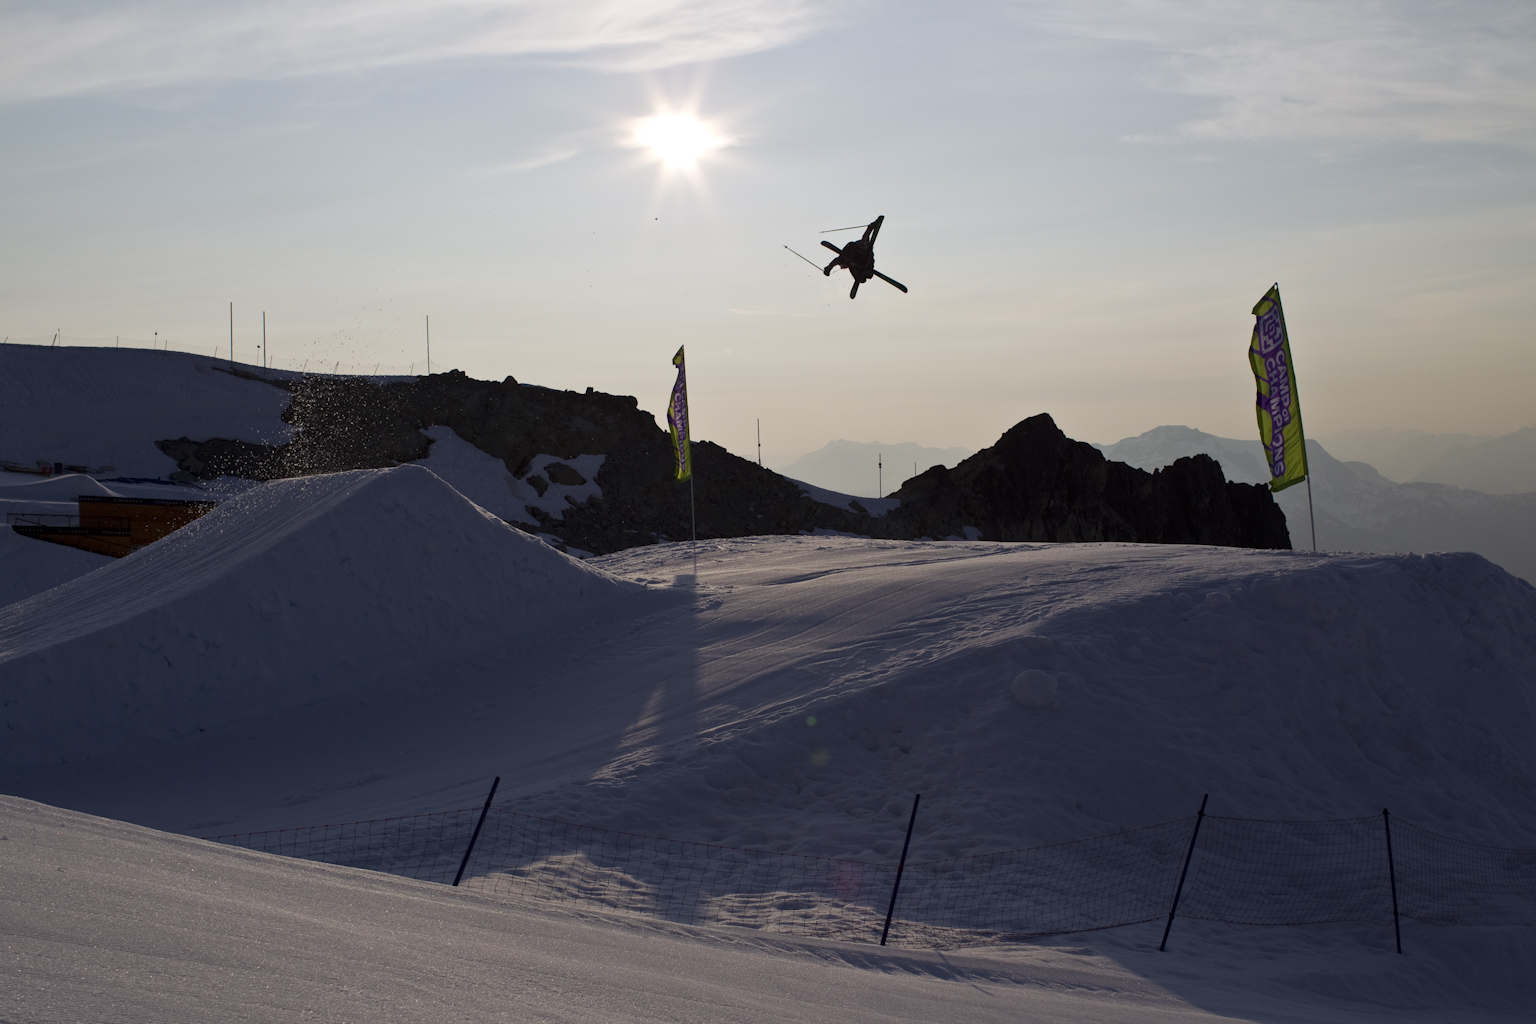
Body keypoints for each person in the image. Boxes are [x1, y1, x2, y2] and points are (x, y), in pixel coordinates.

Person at [823, 216, 883, 299]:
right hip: (856, 261)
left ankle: (865, 271)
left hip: (864, 260)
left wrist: (872, 226)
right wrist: (829, 268)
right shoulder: (849, 255)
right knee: (861, 276)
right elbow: (837, 260)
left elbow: (866, 236)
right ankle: (862, 272)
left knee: (868, 275)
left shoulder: (864, 247)